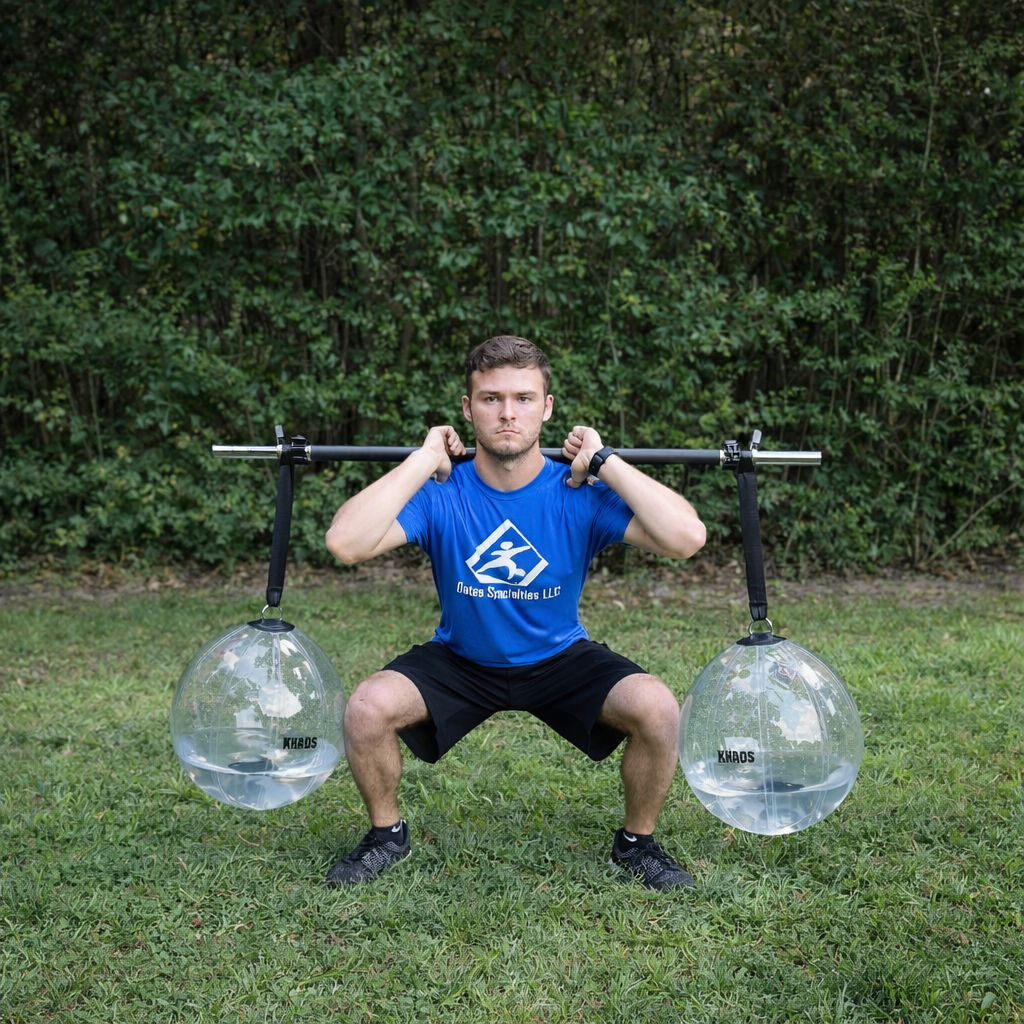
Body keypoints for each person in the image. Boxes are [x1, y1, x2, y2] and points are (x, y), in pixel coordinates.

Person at [324, 336, 707, 890]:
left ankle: (637, 844)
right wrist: (424, 459)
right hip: (462, 658)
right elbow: (345, 543)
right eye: (491, 398)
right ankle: (387, 835)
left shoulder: (577, 490)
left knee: (657, 709)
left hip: (559, 657)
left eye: (525, 398)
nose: (508, 413)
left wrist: (606, 461)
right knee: (366, 708)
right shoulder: (442, 491)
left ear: (547, 408)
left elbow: (687, 538)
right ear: (467, 408)